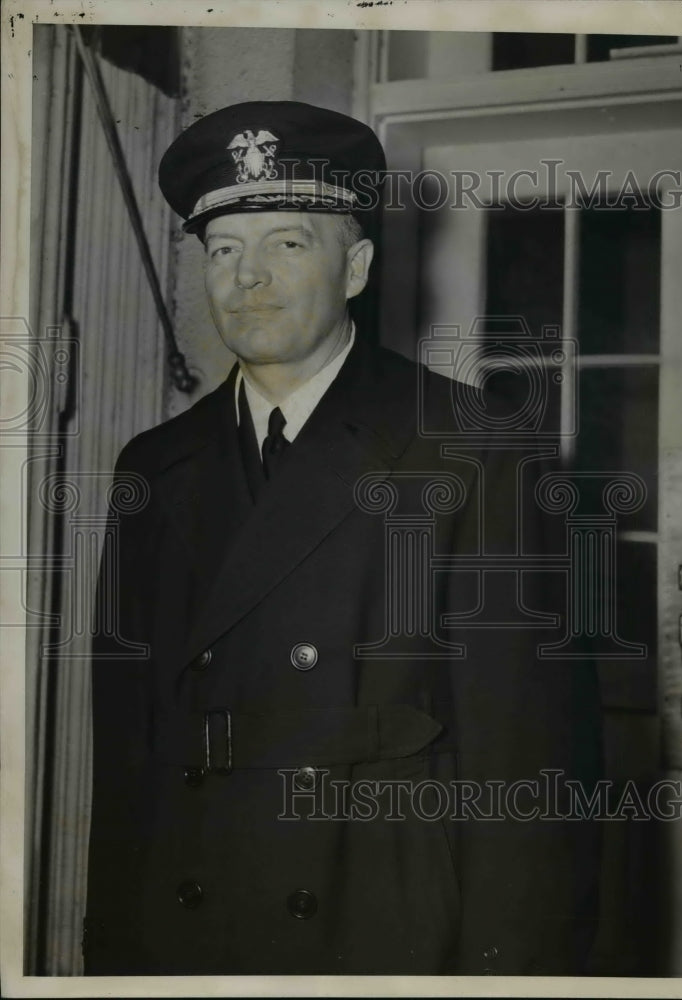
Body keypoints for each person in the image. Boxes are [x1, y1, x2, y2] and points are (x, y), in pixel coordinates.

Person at [84, 101, 601, 976]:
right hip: (187, 923)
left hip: (380, 922)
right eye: (224, 250)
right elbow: (125, 756)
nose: (249, 278)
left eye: (288, 243)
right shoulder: (154, 465)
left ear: (355, 266)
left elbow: (532, 772)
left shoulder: (472, 446)